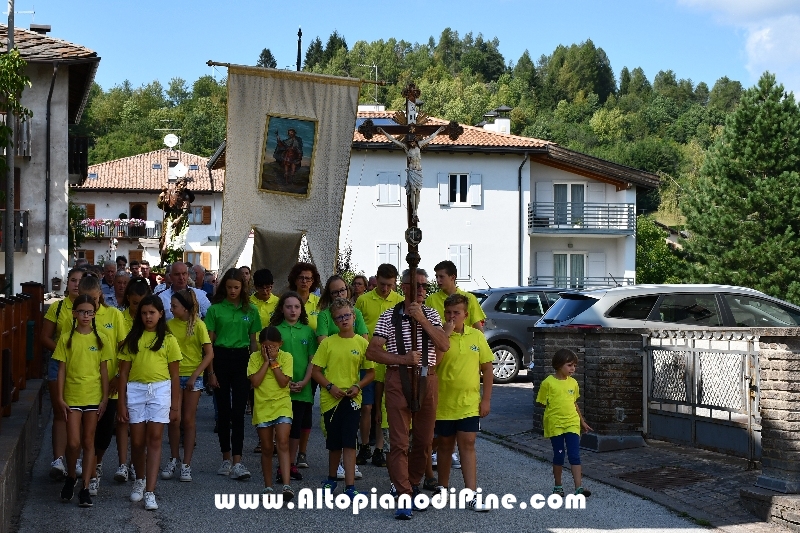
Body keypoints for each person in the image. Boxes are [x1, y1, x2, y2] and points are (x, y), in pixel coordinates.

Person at [366, 268, 451, 520]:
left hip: (428, 377)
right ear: (404, 287)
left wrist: (422, 319)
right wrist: (402, 358)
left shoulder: (433, 314)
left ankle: (411, 483)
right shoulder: (388, 316)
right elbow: (372, 352)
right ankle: (403, 494)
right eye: (418, 285)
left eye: (426, 286)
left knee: (424, 441)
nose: (423, 290)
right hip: (397, 377)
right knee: (400, 441)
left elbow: (444, 344)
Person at [118, 295, 182, 511]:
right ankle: (140, 478)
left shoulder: (168, 340)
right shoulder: (132, 339)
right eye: (144, 313)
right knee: (136, 441)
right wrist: (121, 404)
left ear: (161, 314)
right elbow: (123, 374)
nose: (148, 317)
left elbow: (175, 376)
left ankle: (150, 491)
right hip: (135, 390)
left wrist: (175, 405)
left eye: (152, 313)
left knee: (155, 438)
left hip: (160, 390)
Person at [434, 294, 493, 511]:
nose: (451, 317)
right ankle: (442, 488)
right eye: (448, 313)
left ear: (465, 315)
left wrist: (486, 399)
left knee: (467, 443)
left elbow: (487, 368)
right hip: (444, 403)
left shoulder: (476, 337)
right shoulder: (439, 335)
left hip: (469, 403)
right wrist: (444, 337)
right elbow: (434, 364)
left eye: (456, 313)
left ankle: (472, 494)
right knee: (445, 445)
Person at [312, 298, 374, 502]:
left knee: (349, 441)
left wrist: (358, 386)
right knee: (334, 442)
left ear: (354, 317)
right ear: (334, 321)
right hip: (332, 399)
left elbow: (370, 373)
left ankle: (350, 486)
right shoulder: (328, 343)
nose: (344, 319)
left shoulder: (362, 343)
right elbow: (316, 371)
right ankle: (331, 479)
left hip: (353, 398)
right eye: (339, 317)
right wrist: (330, 386)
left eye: (347, 315)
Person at [53, 294, 113, 507]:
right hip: (72, 396)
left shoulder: (101, 339)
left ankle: (85, 487)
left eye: (89, 312)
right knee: (73, 442)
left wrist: (105, 398)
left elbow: (104, 371)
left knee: (89, 442)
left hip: (93, 397)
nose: (85, 316)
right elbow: (61, 370)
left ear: (94, 314)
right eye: (82, 312)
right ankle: (71, 476)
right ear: (74, 313)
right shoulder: (66, 338)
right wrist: (60, 398)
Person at [205, 268, 261, 481]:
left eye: (236, 287)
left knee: (238, 412)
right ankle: (225, 458)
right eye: (229, 287)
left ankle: (238, 461)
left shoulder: (251, 310)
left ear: (243, 287)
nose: (232, 291)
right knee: (224, 414)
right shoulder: (215, 309)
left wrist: (254, 368)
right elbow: (208, 343)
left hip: (242, 359)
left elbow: (254, 341)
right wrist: (210, 372)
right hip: (220, 358)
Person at [76, 275, 127, 497]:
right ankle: (90, 474)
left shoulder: (114, 315)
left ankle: (96, 464)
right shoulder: (78, 317)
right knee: (86, 433)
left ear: (101, 296)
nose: (90, 304)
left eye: (94, 299)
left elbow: (124, 347)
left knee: (105, 432)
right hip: (85, 386)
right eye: (85, 299)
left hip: (109, 386)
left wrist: (117, 377)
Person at [162, 289, 215, 482]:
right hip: (173, 376)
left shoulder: (199, 325)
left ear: (184, 308)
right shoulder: (168, 325)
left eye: (174, 306)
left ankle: (186, 464)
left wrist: (196, 374)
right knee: (173, 419)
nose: (171, 308)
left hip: (194, 377)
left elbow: (209, 353)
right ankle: (173, 458)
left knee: (188, 420)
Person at [356, 263, 404, 468]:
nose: (385, 289)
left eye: (390, 285)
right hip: (367, 358)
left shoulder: (400, 301)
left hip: (389, 359)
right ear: (376, 279)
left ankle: (380, 448)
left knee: (384, 407)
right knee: (366, 406)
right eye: (382, 284)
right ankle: (364, 445)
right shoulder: (363, 300)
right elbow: (356, 326)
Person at [42, 267, 85, 480]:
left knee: (79, 412)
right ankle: (58, 459)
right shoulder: (58, 308)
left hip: (83, 367)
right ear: (68, 283)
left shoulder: (90, 308)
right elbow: (45, 337)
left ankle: (75, 458)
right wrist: (62, 352)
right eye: (74, 280)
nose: (77, 284)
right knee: (60, 411)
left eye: (81, 281)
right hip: (58, 364)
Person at [109, 277, 152, 485]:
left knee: (140, 424)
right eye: (135, 303)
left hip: (142, 378)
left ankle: (137, 465)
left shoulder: (150, 322)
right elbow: (117, 349)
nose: (140, 307)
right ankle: (123, 464)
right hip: (122, 374)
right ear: (128, 300)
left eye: (143, 302)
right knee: (122, 421)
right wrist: (117, 376)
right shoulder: (120, 318)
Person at [269, 291, 317, 478]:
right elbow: (270, 358)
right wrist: (283, 381)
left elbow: (313, 360)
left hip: (302, 387)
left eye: (297, 307)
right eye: (288, 306)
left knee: (296, 428)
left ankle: (290, 464)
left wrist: (305, 381)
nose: (293, 310)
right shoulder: (275, 330)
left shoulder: (307, 331)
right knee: (283, 427)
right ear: (282, 308)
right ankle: (282, 465)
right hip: (281, 387)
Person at [536, 348, 593, 498]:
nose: (573, 368)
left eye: (574, 365)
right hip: (556, 425)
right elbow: (542, 403)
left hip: (572, 423)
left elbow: (574, 403)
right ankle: (558, 486)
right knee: (559, 455)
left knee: (575, 455)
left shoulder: (573, 383)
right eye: (569, 365)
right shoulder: (548, 383)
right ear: (558, 365)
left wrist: (582, 421)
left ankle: (578, 487)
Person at [248, 326, 294, 500]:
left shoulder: (287, 357)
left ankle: (286, 485)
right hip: (262, 406)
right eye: (265, 346)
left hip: (282, 403)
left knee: (282, 442)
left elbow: (283, 382)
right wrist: (266, 361)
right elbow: (255, 381)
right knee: (267, 448)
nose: (268, 350)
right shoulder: (254, 358)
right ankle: (268, 486)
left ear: (280, 344)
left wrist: (274, 363)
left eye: (272, 346)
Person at [377, 125, 444, 221]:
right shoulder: (406, 148)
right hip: (412, 171)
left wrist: (439, 130)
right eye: (409, 142)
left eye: (412, 141)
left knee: (418, 191)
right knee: (413, 190)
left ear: (415, 140)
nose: (411, 143)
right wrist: (383, 131)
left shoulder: (420, 145)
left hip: (419, 171)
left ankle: (416, 210)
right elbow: (392, 139)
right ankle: (414, 213)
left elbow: (431, 137)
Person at [425, 260, 486, 331]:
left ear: (452, 278)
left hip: (464, 341)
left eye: (441, 277)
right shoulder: (431, 299)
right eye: (436, 277)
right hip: (442, 341)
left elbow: (478, 327)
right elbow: (427, 327)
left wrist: (481, 341)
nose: (438, 280)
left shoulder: (470, 298)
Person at [287, 262, 321, 331]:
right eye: (301, 277)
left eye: (308, 278)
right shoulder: (286, 301)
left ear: (312, 281)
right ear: (295, 280)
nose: (304, 281)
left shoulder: (320, 302)